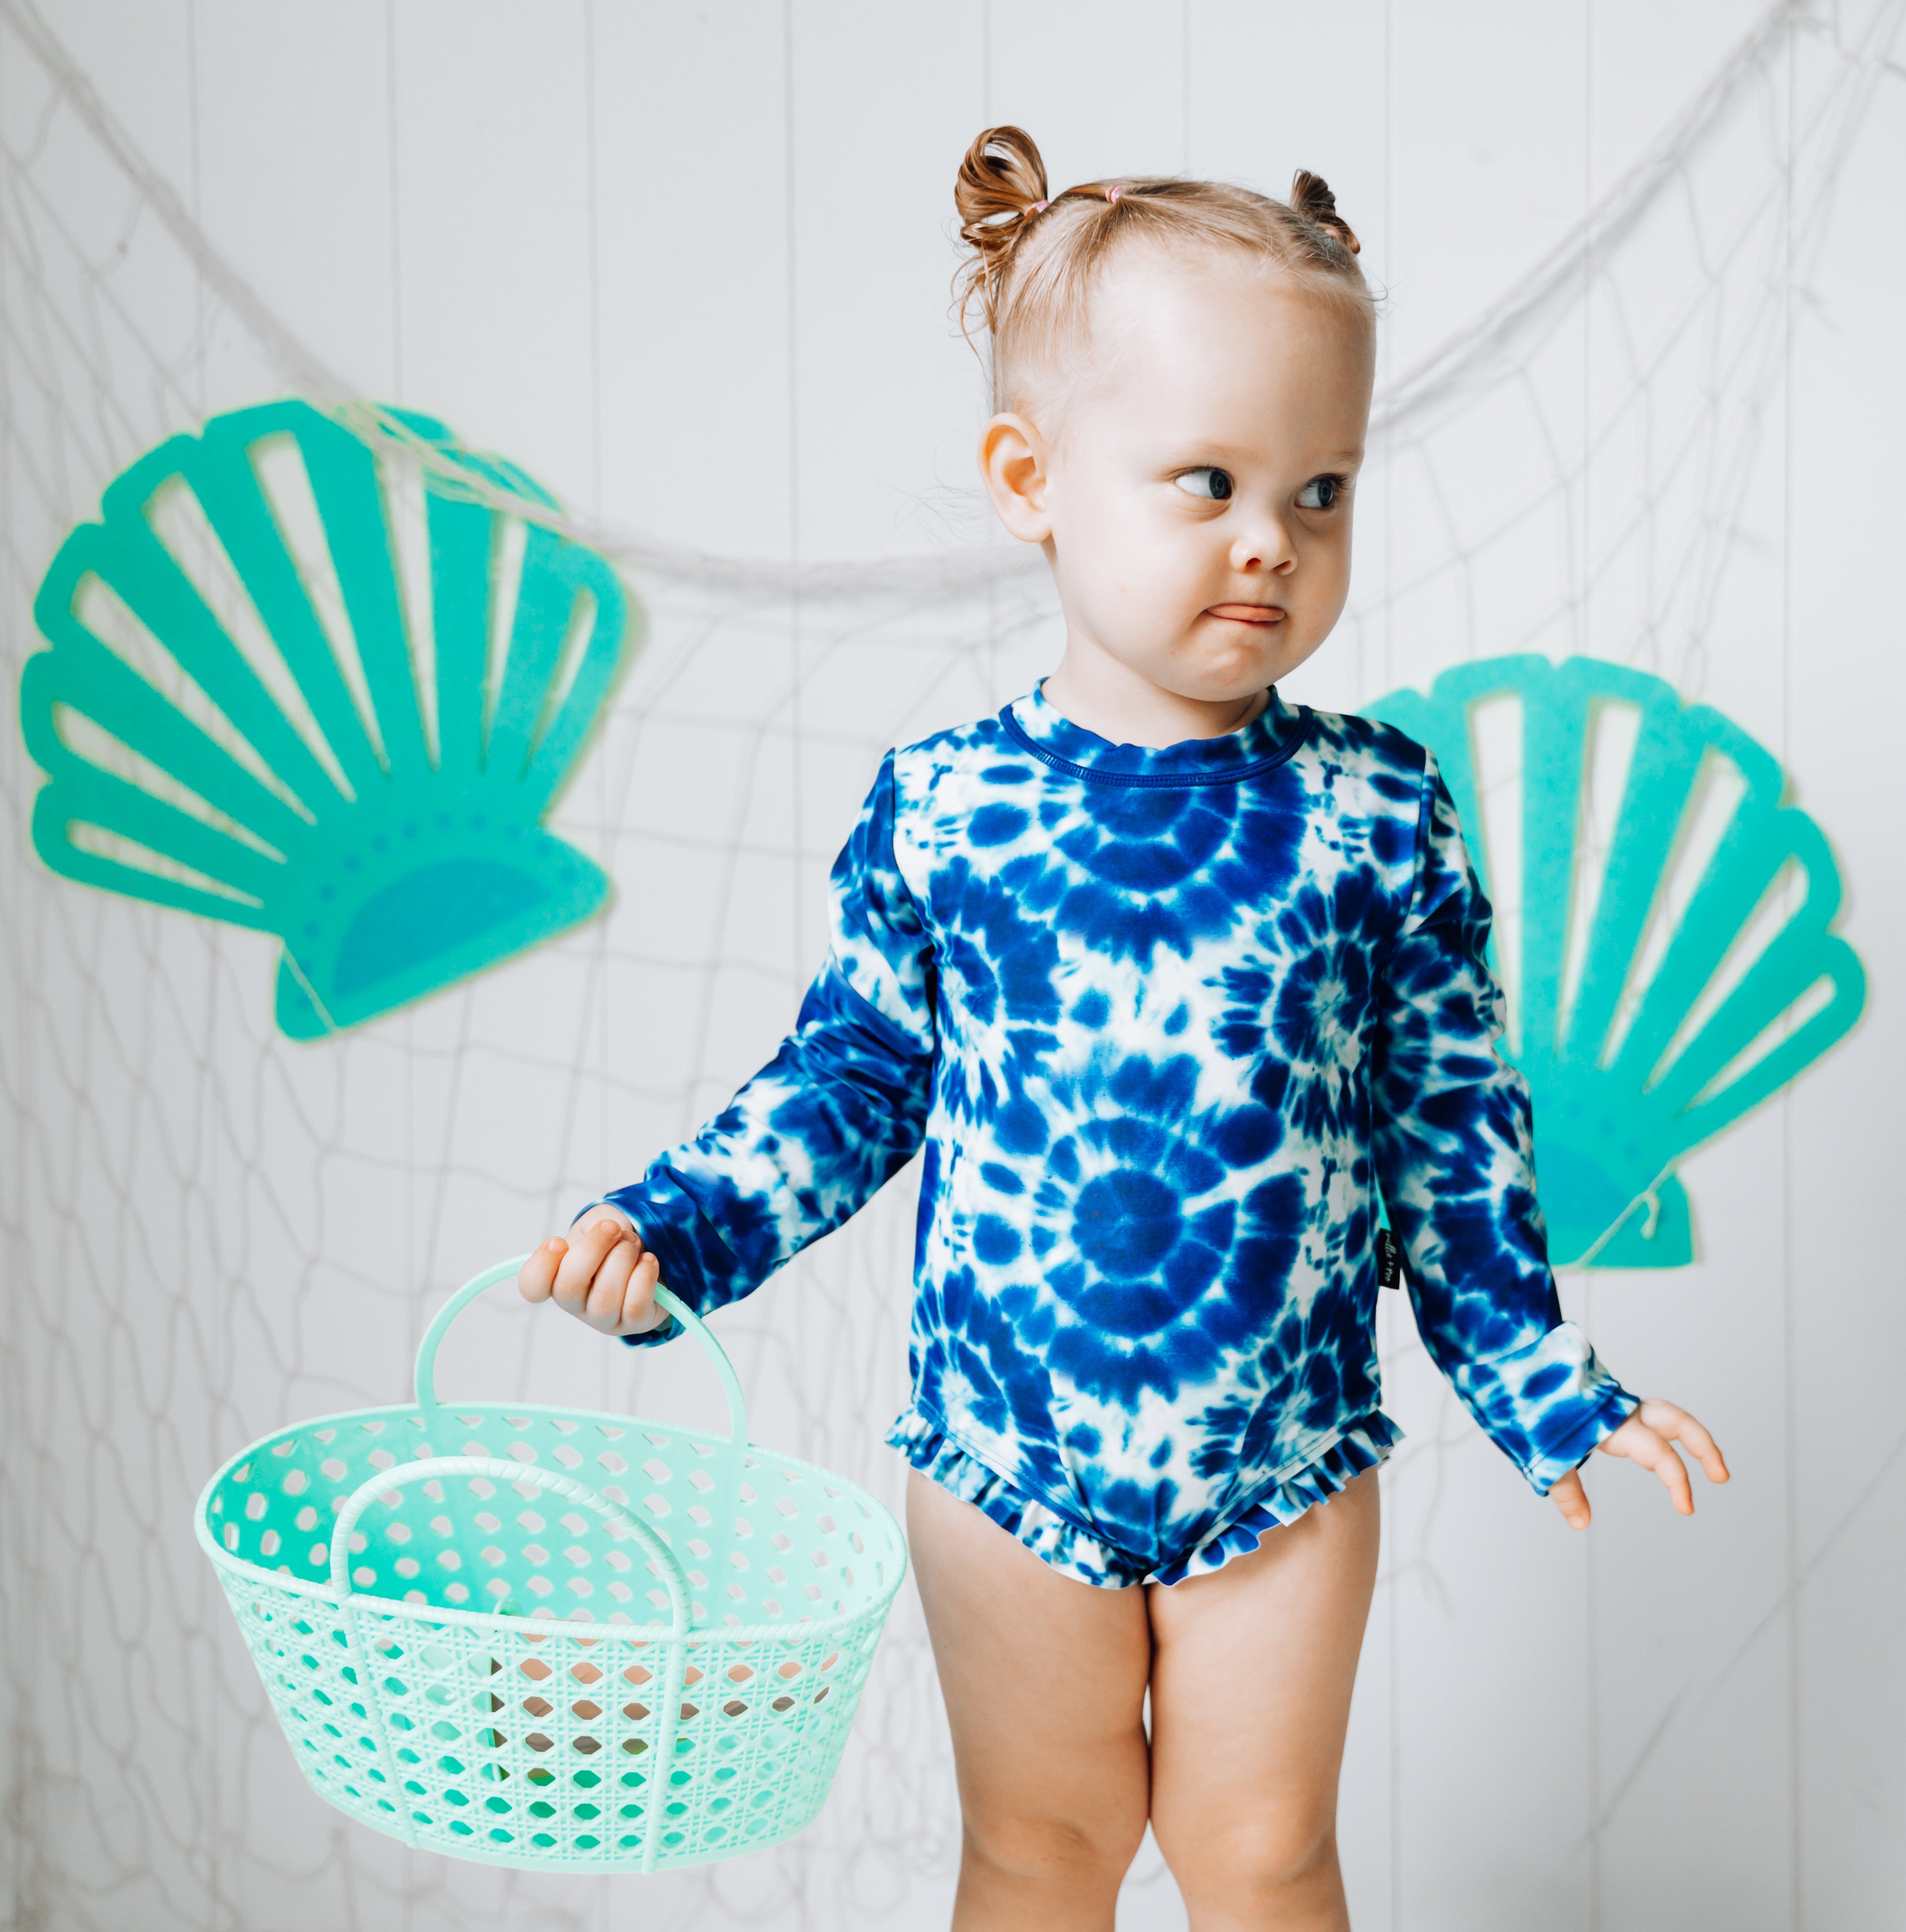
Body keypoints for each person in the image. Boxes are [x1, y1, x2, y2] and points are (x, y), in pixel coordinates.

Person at [516, 127, 1728, 1932]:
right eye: (1209, 480)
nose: (1269, 540)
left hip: (1284, 1458)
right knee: (1038, 1852)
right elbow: (853, 1079)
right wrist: (676, 1232)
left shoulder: (1378, 812)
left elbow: (1453, 1137)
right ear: (1034, 480)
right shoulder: (949, 808)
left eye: (1321, 489)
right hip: (1004, 1459)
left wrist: (1540, 1380)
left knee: (1267, 1855)